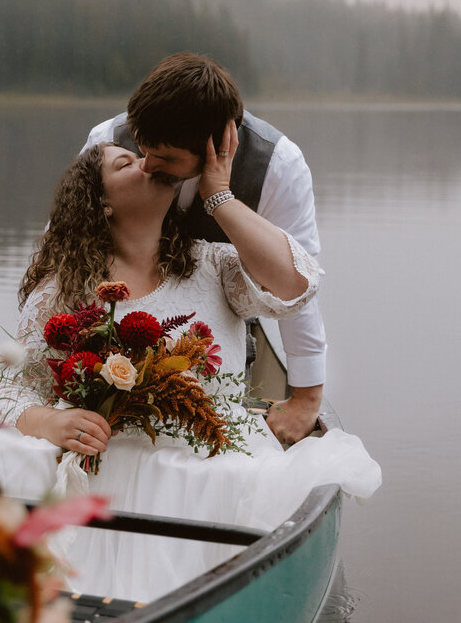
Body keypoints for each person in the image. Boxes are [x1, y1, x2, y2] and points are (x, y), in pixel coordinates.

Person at [0, 138, 380, 604]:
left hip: (211, 461)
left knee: (254, 489)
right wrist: (52, 421)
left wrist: (219, 196)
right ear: (101, 204)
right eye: (127, 163)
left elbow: (296, 284)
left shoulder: (213, 265)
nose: (148, 164)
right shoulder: (63, 287)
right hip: (104, 462)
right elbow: (12, 389)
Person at [82, 52, 325, 445]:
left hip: (220, 341)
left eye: (165, 158)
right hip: (113, 333)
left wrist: (306, 398)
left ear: (215, 146)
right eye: (142, 148)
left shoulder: (278, 165)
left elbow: (297, 288)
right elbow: (64, 243)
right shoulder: (106, 140)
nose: (146, 164)